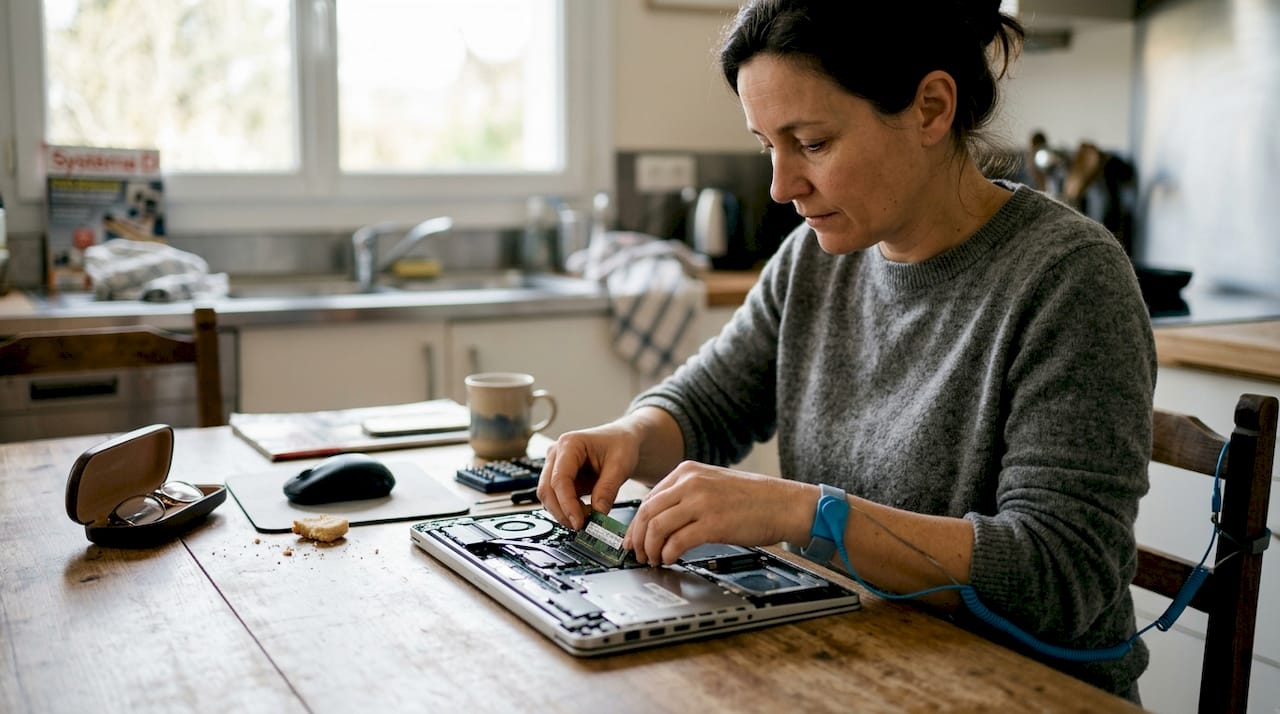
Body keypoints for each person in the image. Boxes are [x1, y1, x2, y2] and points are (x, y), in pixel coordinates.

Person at [537, 0, 1154, 702]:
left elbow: (1062, 573)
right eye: (769, 145)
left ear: (930, 108)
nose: (780, 186)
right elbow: (708, 403)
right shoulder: (815, 258)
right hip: (863, 665)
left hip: (1028, 692)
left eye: (813, 143)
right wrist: (624, 437)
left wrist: (805, 512)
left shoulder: (1069, 277)